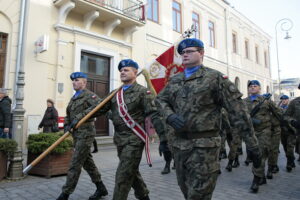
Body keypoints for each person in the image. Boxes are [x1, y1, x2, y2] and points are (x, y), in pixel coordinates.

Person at [155, 38, 261, 199]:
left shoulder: (215, 78)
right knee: (186, 190)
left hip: (204, 148)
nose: (184, 55)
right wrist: (169, 115)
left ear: (202, 53)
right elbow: (160, 99)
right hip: (179, 146)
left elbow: (238, 112)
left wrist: (252, 145)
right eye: (182, 52)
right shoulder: (175, 80)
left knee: (198, 195)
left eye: (189, 51)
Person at [94, 59, 164, 200]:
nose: (122, 72)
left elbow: (154, 114)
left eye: (126, 70)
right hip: (119, 139)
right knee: (131, 171)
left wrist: (164, 137)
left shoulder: (143, 92)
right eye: (121, 71)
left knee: (123, 175)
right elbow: (97, 109)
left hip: (134, 139)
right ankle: (144, 196)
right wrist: (77, 120)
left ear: (135, 72)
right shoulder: (115, 93)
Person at [56, 72, 108, 200]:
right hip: (76, 134)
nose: (74, 82)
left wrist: (80, 117)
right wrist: (67, 125)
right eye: (73, 80)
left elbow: (100, 106)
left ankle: (65, 194)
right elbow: (69, 114)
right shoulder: (74, 97)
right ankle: (101, 188)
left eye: (77, 80)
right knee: (87, 162)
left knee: (75, 163)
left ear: (84, 83)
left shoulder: (89, 95)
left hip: (86, 133)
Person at [243, 80, 282, 192]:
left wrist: (282, 125)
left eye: (255, 86)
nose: (252, 87)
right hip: (251, 133)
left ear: (259, 88)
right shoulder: (243, 102)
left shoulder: (266, 101)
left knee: (259, 154)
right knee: (254, 155)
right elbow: (239, 116)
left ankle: (256, 180)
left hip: (264, 131)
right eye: (250, 86)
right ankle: (262, 177)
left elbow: (278, 113)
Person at [284, 84, 300, 167]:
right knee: (289, 148)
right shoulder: (294, 102)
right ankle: (290, 161)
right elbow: (286, 116)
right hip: (294, 129)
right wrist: (293, 121)